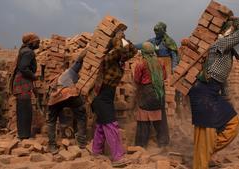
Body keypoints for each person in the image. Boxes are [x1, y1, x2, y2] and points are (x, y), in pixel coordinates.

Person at [189, 17, 239, 169]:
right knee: (206, 134)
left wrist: (225, 96)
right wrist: (237, 21)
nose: (234, 33)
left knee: (233, 123)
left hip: (211, 92)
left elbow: (220, 78)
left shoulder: (224, 47)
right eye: (231, 30)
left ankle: (205, 151)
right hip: (204, 92)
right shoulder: (221, 43)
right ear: (227, 31)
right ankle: (201, 160)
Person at [91, 30, 137, 167]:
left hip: (107, 96)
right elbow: (118, 50)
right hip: (100, 96)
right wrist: (117, 39)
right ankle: (117, 157)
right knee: (111, 125)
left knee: (101, 124)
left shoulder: (119, 59)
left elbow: (133, 51)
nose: (124, 54)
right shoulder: (108, 57)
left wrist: (124, 39)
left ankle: (96, 150)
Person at [46, 50, 87, 154]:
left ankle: (52, 146)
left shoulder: (59, 76)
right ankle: (81, 143)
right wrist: (88, 50)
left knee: (51, 121)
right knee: (81, 113)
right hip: (68, 94)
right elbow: (79, 60)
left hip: (54, 97)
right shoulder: (71, 71)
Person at [134, 42, 168, 148]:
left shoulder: (141, 64)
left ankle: (141, 145)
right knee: (160, 118)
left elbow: (136, 79)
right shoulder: (161, 62)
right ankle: (163, 143)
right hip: (159, 94)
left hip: (146, 94)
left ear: (143, 52)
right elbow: (165, 77)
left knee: (143, 118)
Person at [11, 32, 40, 139]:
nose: (39, 44)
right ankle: (24, 135)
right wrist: (34, 76)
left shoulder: (24, 50)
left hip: (20, 82)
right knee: (25, 109)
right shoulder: (29, 52)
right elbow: (23, 68)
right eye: (37, 42)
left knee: (22, 108)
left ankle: (23, 134)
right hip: (23, 82)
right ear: (31, 42)